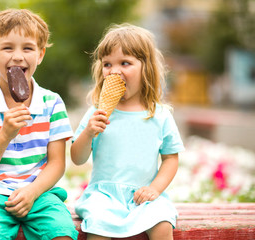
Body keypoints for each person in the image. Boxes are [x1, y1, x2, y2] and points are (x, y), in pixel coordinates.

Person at [0, 9, 78, 240]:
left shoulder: (52, 103)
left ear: (40, 54)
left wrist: (32, 191)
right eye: (7, 48)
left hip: (40, 191)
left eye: (28, 48)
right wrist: (4, 135)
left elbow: (56, 164)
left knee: (62, 232)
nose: (17, 56)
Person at [71, 23, 185, 240]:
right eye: (107, 64)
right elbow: (77, 158)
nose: (114, 71)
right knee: (98, 225)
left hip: (143, 196)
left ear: (146, 68)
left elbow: (171, 158)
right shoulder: (97, 112)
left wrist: (155, 189)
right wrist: (88, 133)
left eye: (125, 63)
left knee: (162, 223)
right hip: (103, 195)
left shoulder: (159, 115)